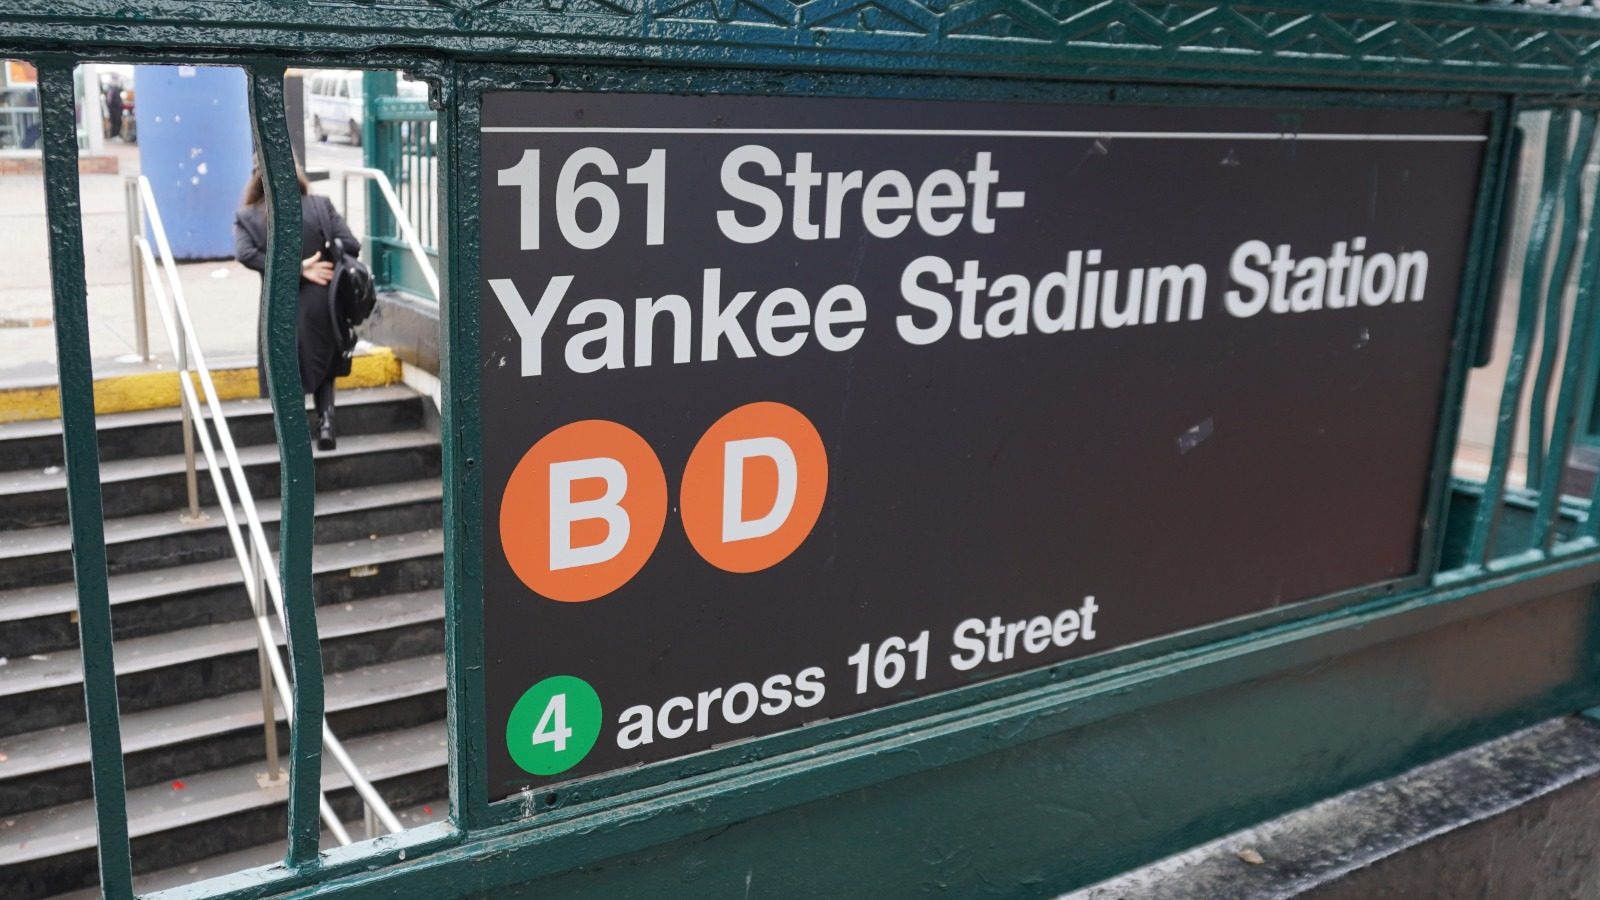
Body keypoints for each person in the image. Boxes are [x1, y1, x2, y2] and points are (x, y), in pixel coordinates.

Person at [232, 166, 361, 451]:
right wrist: (310, 263)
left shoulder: (248, 215)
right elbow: (351, 243)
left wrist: (291, 270)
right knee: (325, 361)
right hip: (323, 297)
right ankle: (326, 422)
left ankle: (294, 433)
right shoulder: (319, 204)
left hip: (280, 301)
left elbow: (245, 254)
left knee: (286, 362)